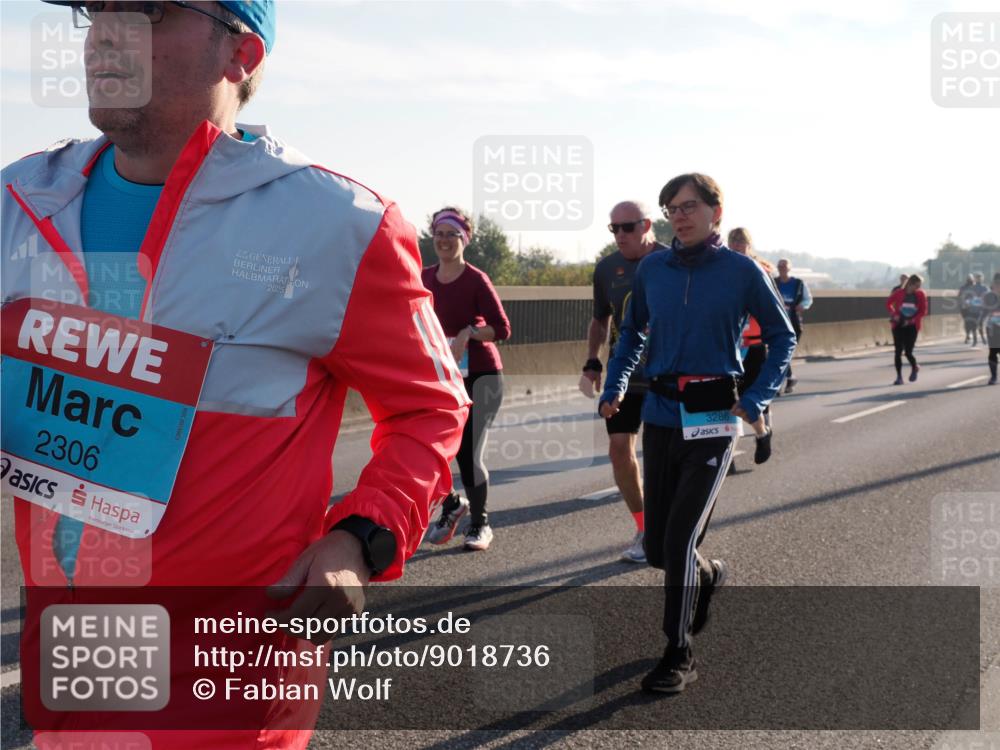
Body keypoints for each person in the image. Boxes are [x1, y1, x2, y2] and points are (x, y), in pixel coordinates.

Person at [2, 2, 468, 748]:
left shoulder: (336, 223)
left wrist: (362, 536)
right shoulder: (16, 202)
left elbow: (432, 409)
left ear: (241, 53)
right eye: (98, 11)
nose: (107, 35)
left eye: (147, 10)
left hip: (226, 687)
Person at [599, 174, 795, 694]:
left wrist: (755, 400)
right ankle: (707, 575)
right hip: (661, 416)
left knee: (682, 537)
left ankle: (677, 651)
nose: (679, 216)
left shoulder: (742, 271)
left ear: (715, 212)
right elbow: (632, 332)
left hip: (712, 419)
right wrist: (616, 384)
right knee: (662, 552)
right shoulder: (653, 270)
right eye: (671, 209)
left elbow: (782, 337)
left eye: (689, 206)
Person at [422, 207, 511, 552]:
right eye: (439, 234)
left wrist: (470, 332)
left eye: (452, 234)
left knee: (466, 453)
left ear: (465, 239)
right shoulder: (424, 277)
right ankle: (453, 504)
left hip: (482, 377)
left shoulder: (475, 279)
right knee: (429, 452)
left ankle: (480, 524)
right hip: (441, 377)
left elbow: (502, 328)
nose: (444, 240)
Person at [582, 200, 665, 563]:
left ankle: (672, 527)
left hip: (667, 374)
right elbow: (601, 319)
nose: (620, 235)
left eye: (627, 227)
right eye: (613, 228)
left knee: (665, 459)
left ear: (646, 225)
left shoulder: (670, 260)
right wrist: (592, 362)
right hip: (625, 374)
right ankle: (646, 526)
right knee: (619, 450)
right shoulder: (607, 269)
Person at [727, 228, 774, 466]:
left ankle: (762, 433)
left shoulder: (760, 272)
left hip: (753, 346)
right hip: (728, 346)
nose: (737, 247)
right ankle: (726, 454)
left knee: (749, 398)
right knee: (725, 399)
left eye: (741, 243)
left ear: (749, 245)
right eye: (732, 243)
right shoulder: (721, 271)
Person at [774, 258, 812, 394]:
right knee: (779, 352)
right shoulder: (774, 282)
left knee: (785, 353)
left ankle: (787, 378)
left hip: (793, 324)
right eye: (780, 266)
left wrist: (803, 305)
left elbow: (808, 299)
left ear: (790, 268)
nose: (782, 268)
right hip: (777, 324)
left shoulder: (798, 284)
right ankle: (787, 378)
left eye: (784, 266)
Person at [886, 274, 929, 384]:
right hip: (898, 324)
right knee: (898, 351)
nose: (918, 288)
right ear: (910, 284)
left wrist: (911, 320)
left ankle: (914, 367)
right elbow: (888, 303)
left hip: (912, 326)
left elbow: (923, 311)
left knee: (908, 352)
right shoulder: (899, 293)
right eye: (916, 286)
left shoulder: (920, 294)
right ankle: (899, 377)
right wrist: (893, 314)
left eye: (919, 286)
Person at [984, 277, 1000, 385]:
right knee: (993, 351)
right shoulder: (988, 296)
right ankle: (993, 376)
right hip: (992, 327)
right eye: (996, 284)